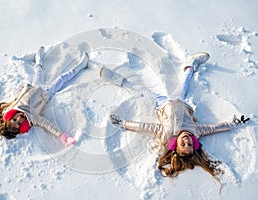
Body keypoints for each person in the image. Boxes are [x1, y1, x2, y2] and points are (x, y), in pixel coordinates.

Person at [100, 52, 250, 179]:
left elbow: (145, 127)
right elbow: (213, 128)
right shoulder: (195, 132)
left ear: (174, 144)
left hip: (162, 104)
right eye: (190, 144)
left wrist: (124, 124)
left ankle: (116, 78)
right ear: (194, 144)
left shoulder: (166, 134)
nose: (186, 141)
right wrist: (233, 124)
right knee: (185, 83)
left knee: (141, 89)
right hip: (181, 102)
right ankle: (192, 63)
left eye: (182, 144)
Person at [0, 46, 89, 146]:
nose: (19, 119)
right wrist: (63, 137)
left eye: (15, 119)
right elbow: (47, 125)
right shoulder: (32, 117)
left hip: (34, 87)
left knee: (39, 71)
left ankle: (38, 59)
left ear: (10, 117)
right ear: (22, 127)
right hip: (47, 92)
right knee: (63, 78)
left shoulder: (9, 108)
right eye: (19, 123)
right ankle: (81, 66)